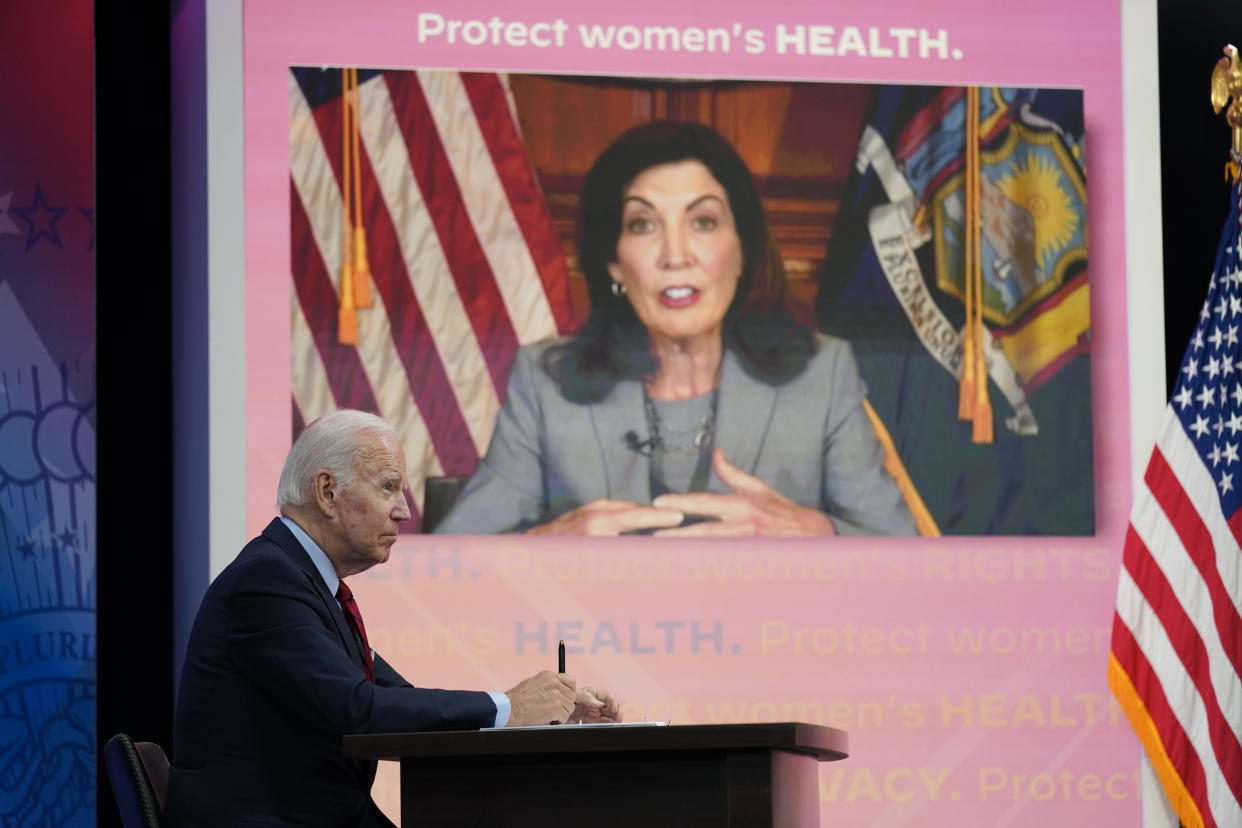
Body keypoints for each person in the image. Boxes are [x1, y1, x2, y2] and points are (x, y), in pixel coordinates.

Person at [435, 120, 916, 537]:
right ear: (614, 262)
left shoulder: (821, 376)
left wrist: (816, 535)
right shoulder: (546, 385)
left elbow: (909, 565)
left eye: (703, 222)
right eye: (643, 225)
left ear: (742, 248)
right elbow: (450, 564)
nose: (676, 254)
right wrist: (547, 546)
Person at [164, 410, 621, 828]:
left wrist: (547, 711)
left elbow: (395, 699)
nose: (404, 510)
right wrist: (509, 706)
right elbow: (360, 711)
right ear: (328, 492)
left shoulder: (304, 583)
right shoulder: (266, 583)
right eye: (388, 486)